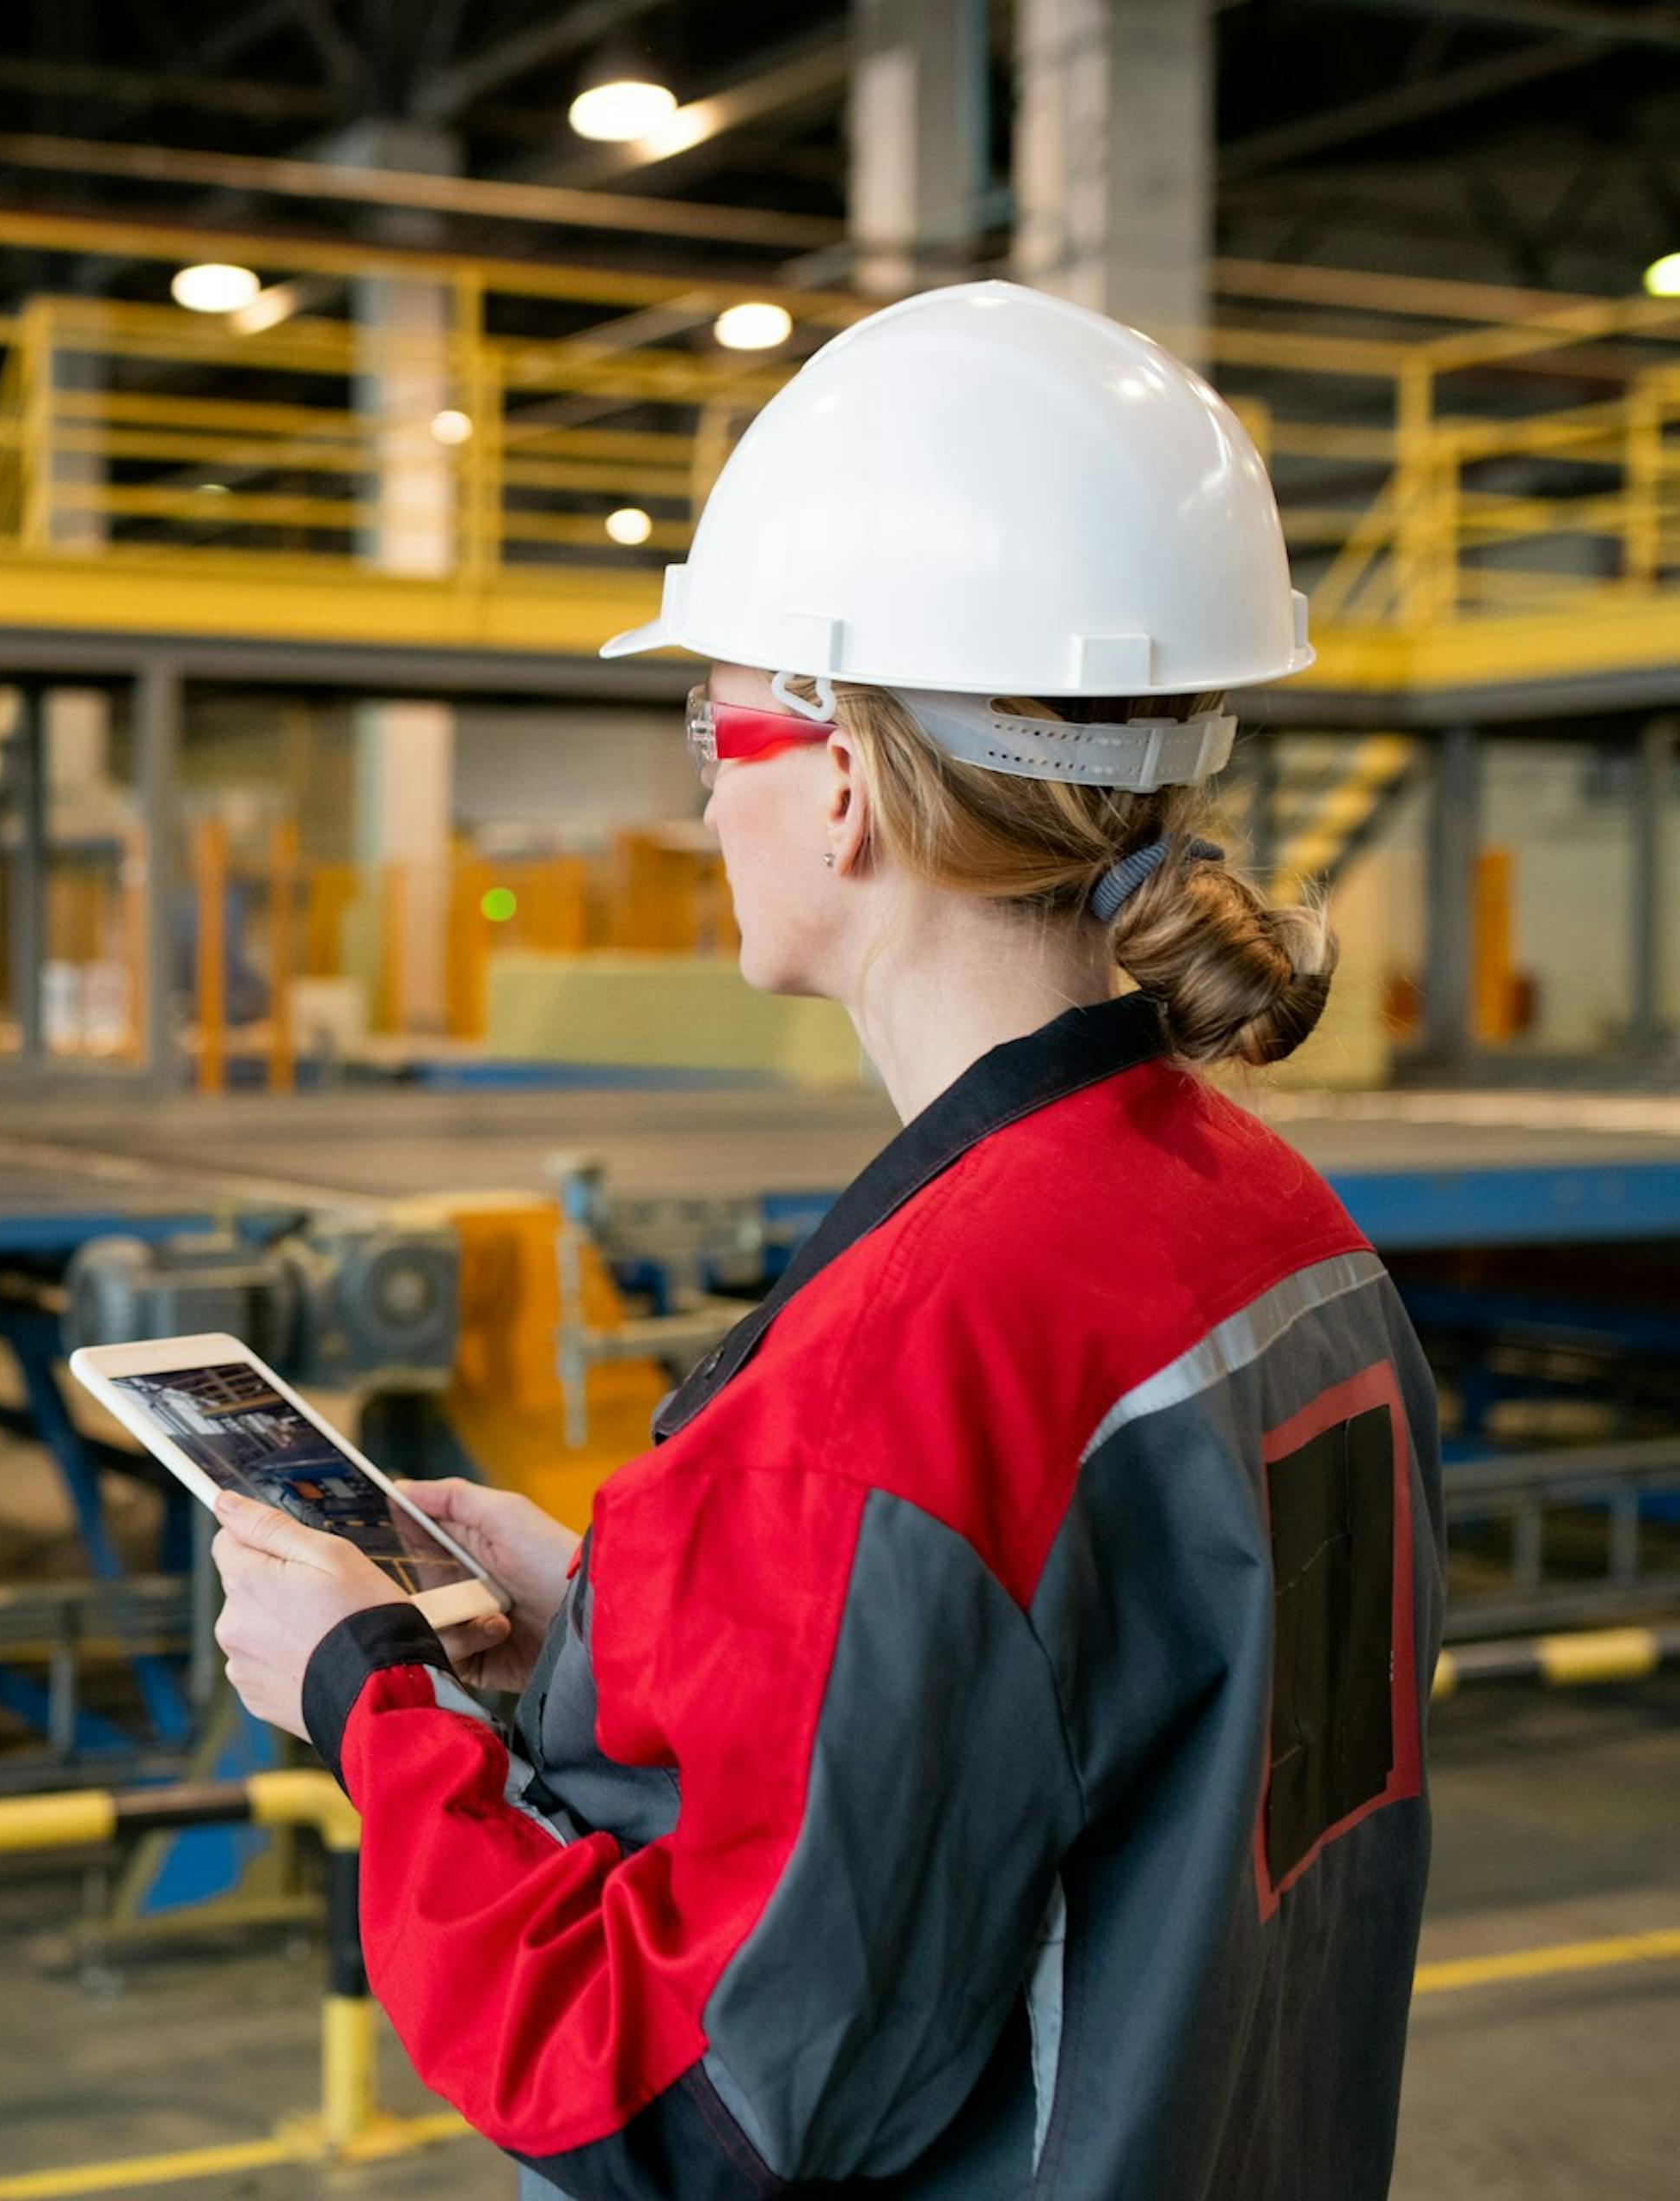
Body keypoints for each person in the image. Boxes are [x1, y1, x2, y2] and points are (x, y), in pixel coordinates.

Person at [205, 281, 1442, 2201]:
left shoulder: (908, 1361)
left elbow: (677, 2102)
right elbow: (1035, 1748)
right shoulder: (1277, 1235)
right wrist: (610, 1625)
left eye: (718, 721)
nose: (704, 789)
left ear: (848, 780)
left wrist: (367, 1690)